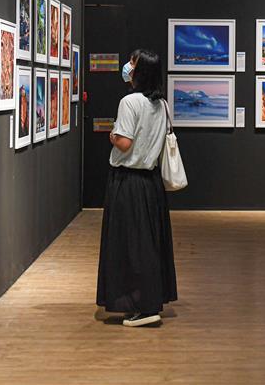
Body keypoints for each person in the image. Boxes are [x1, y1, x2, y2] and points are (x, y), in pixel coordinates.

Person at [96, 49, 178, 327]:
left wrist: (112, 135)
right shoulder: (163, 105)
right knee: (148, 244)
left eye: (132, 63)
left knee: (129, 246)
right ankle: (151, 300)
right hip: (152, 184)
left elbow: (124, 143)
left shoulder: (129, 102)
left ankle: (141, 306)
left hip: (128, 182)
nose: (127, 67)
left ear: (140, 71)